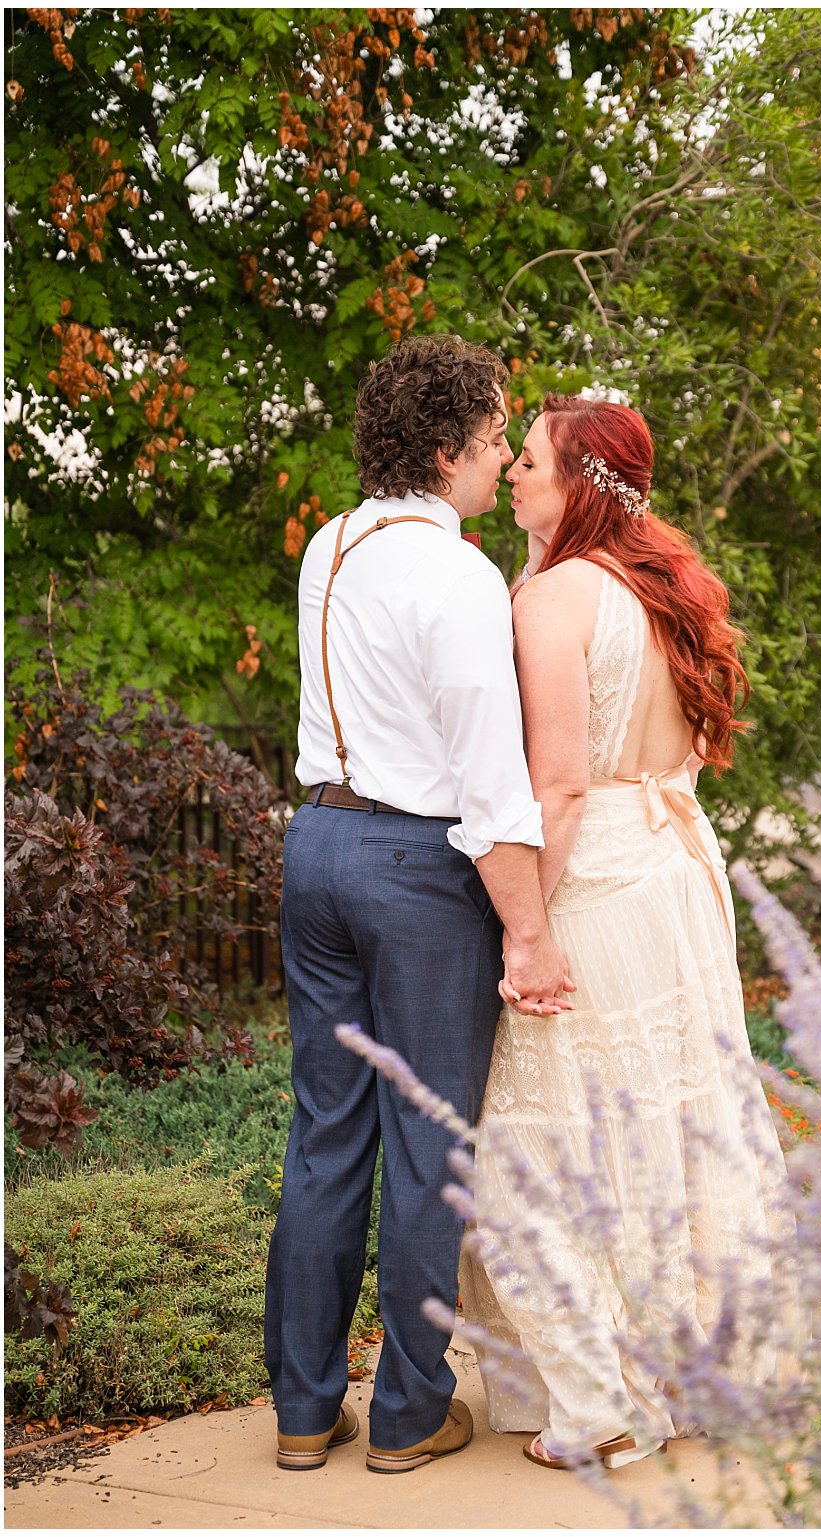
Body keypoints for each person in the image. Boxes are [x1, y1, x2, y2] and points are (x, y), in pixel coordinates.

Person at [460, 395, 791, 1470]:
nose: (512, 471)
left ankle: (599, 1404)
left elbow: (555, 785)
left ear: (580, 482)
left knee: (547, 1134)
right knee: (669, 1118)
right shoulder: (663, 592)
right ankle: (697, 1372)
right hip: (674, 876)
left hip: (595, 877)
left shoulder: (551, 598)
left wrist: (526, 930)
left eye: (533, 461)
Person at [265, 333, 573, 1476]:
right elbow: (489, 786)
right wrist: (529, 934)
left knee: (325, 1132)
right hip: (417, 867)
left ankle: (302, 1411)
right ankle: (404, 1414)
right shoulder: (458, 575)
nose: (502, 463)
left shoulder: (327, 548)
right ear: (445, 450)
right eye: (495, 441)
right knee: (431, 1143)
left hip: (318, 846)